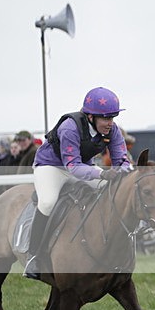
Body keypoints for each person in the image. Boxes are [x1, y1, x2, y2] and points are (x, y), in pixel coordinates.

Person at [24, 86, 132, 278]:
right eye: (106, 118)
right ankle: (34, 257)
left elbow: (122, 160)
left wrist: (124, 173)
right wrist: (102, 174)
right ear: (90, 117)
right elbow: (72, 167)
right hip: (52, 167)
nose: (110, 123)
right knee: (47, 202)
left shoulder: (112, 130)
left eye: (112, 117)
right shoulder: (69, 128)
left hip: (82, 167)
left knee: (111, 191)